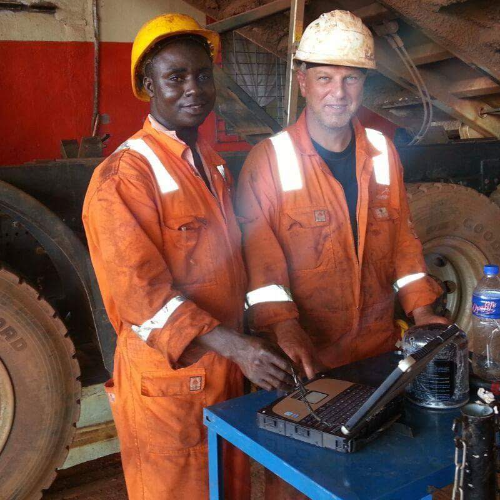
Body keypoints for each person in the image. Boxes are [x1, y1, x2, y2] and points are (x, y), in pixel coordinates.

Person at [236, 11, 447, 498]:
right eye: (325, 78)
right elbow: (260, 264)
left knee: (379, 472)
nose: (338, 92)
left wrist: (422, 309)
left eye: (351, 78)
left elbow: (403, 242)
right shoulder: (269, 160)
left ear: (364, 84)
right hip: (306, 360)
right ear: (302, 82)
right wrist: (283, 326)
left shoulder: (382, 151)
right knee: (300, 483)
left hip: (376, 355)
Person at [83, 13, 292, 500]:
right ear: (148, 86)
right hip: (171, 382)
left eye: (202, 74)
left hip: (222, 372)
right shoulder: (124, 177)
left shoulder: (211, 163)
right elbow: (142, 299)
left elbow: (229, 265)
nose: (193, 88)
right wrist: (239, 349)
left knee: (228, 488)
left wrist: (264, 334)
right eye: (175, 77)